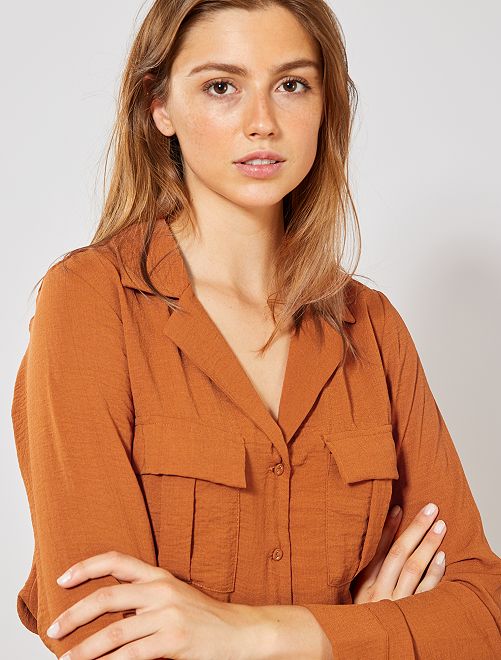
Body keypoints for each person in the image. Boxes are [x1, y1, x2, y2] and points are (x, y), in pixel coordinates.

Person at [11, 1, 501, 659]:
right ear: (159, 106)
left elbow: (482, 611)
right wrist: (368, 635)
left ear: (325, 104)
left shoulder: (373, 328)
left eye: (291, 84)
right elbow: (102, 633)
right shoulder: (91, 302)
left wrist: (262, 635)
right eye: (221, 87)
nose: (262, 122)